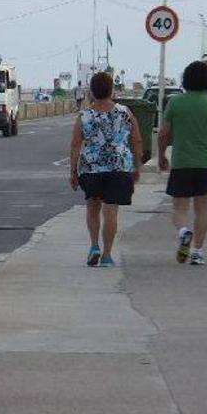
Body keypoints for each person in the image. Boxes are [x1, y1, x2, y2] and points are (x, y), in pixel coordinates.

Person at [158, 61, 207, 265]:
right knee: (202, 208)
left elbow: (164, 134)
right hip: (206, 164)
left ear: (186, 79)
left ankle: (183, 232)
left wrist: (161, 155)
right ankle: (198, 252)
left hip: (182, 162)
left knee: (180, 207)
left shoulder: (175, 103)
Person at [69, 72, 143, 267]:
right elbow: (136, 139)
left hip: (91, 168)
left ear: (91, 91)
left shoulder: (84, 115)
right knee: (111, 211)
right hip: (119, 167)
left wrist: (73, 172)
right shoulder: (124, 112)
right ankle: (107, 255)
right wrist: (137, 165)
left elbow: (76, 145)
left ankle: (94, 246)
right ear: (111, 90)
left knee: (93, 206)